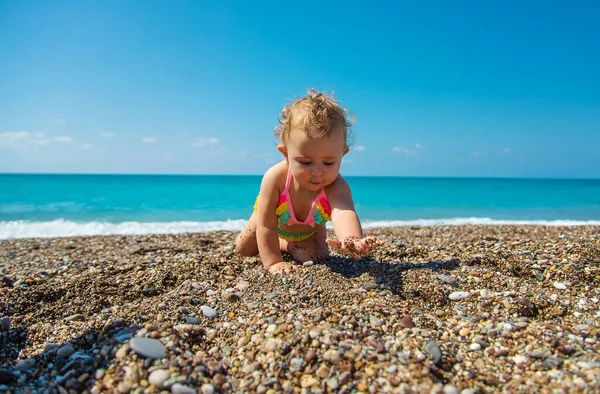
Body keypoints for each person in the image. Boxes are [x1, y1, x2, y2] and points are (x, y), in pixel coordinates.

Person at [235, 89, 383, 274]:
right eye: (305, 162)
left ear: (342, 155)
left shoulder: (336, 186)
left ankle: (286, 245)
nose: (317, 172)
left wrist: (351, 239)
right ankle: (279, 246)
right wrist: (273, 262)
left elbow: (343, 212)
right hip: (267, 222)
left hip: (309, 230)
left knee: (317, 258)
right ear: (286, 155)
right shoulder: (275, 178)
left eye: (329, 163)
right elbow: (267, 225)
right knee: (243, 249)